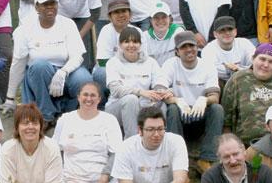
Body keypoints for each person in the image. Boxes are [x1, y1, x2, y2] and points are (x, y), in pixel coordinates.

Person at [1, 0, 91, 125]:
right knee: (39, 65)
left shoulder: (68, 24)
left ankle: (71, 113)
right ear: (37, 7)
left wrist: (63, 72)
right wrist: (10, 98)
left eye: (53, 3)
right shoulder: (25, 30)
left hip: (65, 71)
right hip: (39, 76)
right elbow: (18, 65)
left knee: (84, 79)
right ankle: (45, 116)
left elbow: (77, 56)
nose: (50, 7)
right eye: (45, 4)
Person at [158, 30, 223, 173]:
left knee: (217, 109)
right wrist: (176, 100)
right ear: (176, 51)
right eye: (184, 47)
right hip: (179, 117)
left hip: (200, 115)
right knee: (173, 108)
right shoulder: (170, 65)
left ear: (197, 47)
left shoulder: (207, 66)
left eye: (191, 45)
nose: (189, 50)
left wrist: (204, 100)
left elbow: (215, 96)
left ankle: (207, 159)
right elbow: (160, 91)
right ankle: (177, 161)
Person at [105, 27, 167, 137]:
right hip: (117, 109)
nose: (131, 45)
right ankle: (132, 143)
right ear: (120, 45)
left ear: (140, 44)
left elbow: (160, 80)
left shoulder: (150, 62)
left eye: (135, 41)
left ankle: (161, 142)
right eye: (126, 41)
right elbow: (115, 90)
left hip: (144, 108)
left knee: (162, 103)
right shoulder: (113, 62)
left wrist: (158, 92)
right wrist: (140, 92)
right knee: (131, 99)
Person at [93, 0, 135, 103]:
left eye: (124, 11)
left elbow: (143, 58)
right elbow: (102, 61)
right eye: (116, 12)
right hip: (109, 69)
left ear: (130, 14)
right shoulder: (106, 30)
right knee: (101, 73)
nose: (121, 15)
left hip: (132, 69)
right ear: (109, 17)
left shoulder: (137, 31)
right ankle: (101, 105)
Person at [200, 16, 256, 89]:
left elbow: (255, 66)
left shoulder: (245, 43)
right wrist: (236, 70)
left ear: (235, 31)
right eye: (222, 30)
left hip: (245, 81)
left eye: (230, 29)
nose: (227, 33)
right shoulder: (208, 50)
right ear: (215, 34)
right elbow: (211, 72)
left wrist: (238, 69)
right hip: (221, 84)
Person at [141, 2, 185, 66]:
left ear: (169, 18)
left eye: (164, 17)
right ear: (150, 20)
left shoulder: (178, 32)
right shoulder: (145, 36)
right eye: (156, 17)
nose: (160, 21)